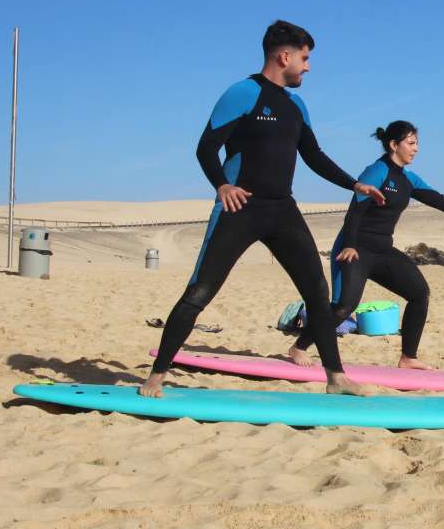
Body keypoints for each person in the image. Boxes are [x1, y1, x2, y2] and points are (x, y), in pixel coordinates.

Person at [141, 20, 387, 398]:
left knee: (317, 292)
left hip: (282, 210)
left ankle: (336, 378)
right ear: (283, 56)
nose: (307, 67)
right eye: (304, 59)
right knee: (201, 291)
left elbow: (314, 156)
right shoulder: (242, 93)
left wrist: (354, 184)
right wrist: (222, 185)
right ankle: (156, 375)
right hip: (241, 209)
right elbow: (206, 147)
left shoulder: (295, 105)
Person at [288, 120, 444, 370]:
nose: (416, 149)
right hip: (355, 249)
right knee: (343, 306)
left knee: (419, 294)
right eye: (411, 143)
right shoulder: (377, 171)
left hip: (382, 251)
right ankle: (299, 346)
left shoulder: (408, 179)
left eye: (417, 144)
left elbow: (440, 201)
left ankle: (408, 357)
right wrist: (349, 244)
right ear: (394, 144)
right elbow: (355, 210)